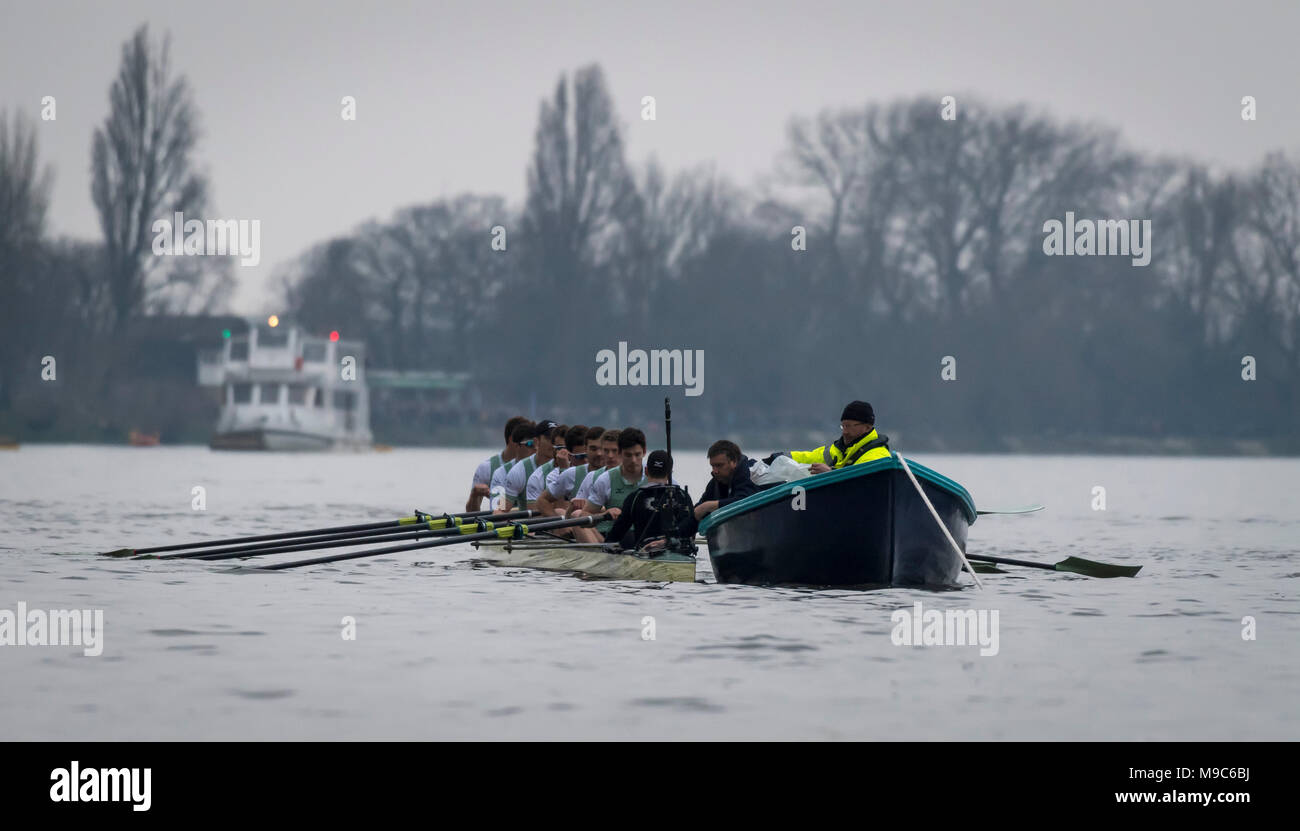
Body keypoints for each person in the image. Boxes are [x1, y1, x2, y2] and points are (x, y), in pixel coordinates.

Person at [605, 450, 697, 550]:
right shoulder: (683, 496)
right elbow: (691, 531)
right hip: (678, 554)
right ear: (670, 473)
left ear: (646, 471)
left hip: (645, 554)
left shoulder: (634, 498)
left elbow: (616, 534)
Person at [769, 401, 890, 473]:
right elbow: (809, 457)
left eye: (849, 426)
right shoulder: (835, 451)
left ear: (868, 427)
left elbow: (863, 481)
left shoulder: (878, 455)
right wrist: (780, 457)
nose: (845, 432)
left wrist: (830, 473)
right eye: (843, 426)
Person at [574, 427, 647, 543]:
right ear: (621, 453)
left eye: (637, 455)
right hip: (614, 537)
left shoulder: (656, 475)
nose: (633, 460)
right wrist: (605, 513)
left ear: (644, 451)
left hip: (647, 538)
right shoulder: (605, 479)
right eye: (628, 455)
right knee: (576, 515)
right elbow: (584, 516)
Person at [467, 416, 529, 511]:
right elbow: (471, 514)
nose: (535, 448)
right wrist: (474, 495)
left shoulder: (536, 466)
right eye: (529, 443)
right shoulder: (487, 468)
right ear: (512, 439)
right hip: (502, 521)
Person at [539, 425, 604, 517]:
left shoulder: (618, 473)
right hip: (582, 526)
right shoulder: (569, 474)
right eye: (580, 456)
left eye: (602, 449)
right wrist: (560, 526)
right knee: (560, 512)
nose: (599, 453)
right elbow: (542, 500)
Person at [495, 419, 558, 512]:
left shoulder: (568, 466)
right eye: (549, 439)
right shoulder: (519, 471)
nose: (554, 444)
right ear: (537, 442)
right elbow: (500, 509)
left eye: (555, 440)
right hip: (530, 523)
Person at [693, 439, 759, 521]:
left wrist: (709, 506)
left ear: (734, 462)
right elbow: (699, 510)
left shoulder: (751, 474)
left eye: (719, 465)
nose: (715, 471)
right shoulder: (716, 482)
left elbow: (745, 501)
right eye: (713, 466)